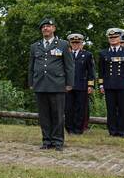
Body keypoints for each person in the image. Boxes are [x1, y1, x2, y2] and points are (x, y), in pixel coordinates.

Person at [28, 18, 74, 150]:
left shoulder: (63, 45)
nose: (45, 28)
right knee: (44, 116)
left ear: (54, 28)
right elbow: (31, 66)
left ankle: (58, 142)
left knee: (58, 115)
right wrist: (31, 82)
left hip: (57, 84)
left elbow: (69, 66)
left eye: (48, 26)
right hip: (40, 84)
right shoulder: (35, 46)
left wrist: (69, 83)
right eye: (43, 27)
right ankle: (46, 141)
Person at [98, 27, 124, 137]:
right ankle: (112, 131)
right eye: (110, 37)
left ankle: (123, 131)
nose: (113, 39)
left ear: (120, 38)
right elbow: (101, 71)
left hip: (123, 85)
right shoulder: (103, 53)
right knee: (111, 110)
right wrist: (101, 84)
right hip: (109, 84)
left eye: (115, 37)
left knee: (123, 109)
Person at [64, 34, 95, 135]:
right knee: (68, 108)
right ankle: (69, 129)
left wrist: (90, 85)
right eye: (73, 43)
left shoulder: (87, 55)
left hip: (82, 85)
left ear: (81, 43)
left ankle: (78, 129)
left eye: (78, 42)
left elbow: (91, 72)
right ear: (70, 43)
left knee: (80, 108)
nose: (75, 44)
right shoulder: (65, 54)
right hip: (68, 86)